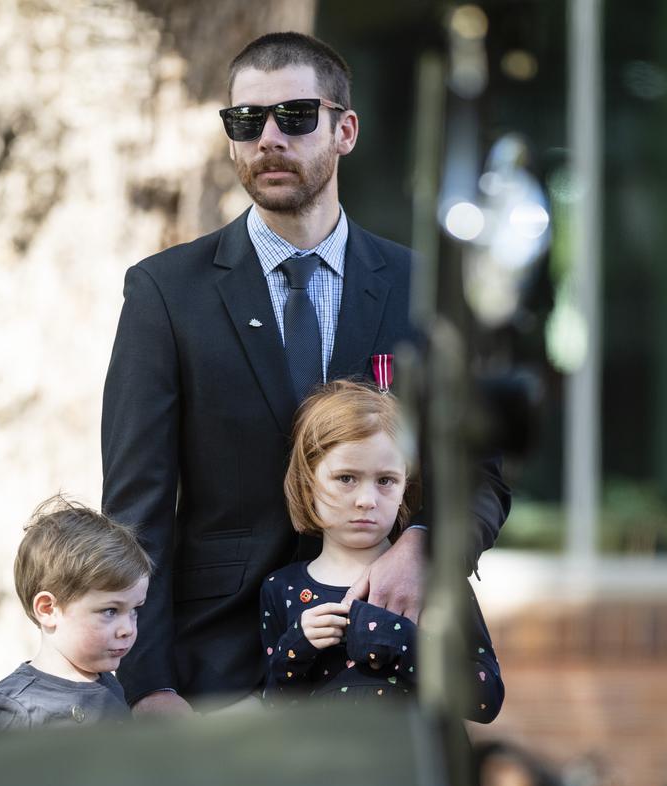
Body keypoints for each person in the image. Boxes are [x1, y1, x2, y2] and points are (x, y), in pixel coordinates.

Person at [101, 31, 510, 715]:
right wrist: (148, 683)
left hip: (385, 660)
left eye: (294, 116)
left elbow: (483, 473)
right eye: (246, 120)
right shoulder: (164, 294)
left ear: (344, 129)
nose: (268, 138)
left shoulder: (424, 289)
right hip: (216, 668)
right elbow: (136, 512)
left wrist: (426, 545)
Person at [260, 380, 504, 719]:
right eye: (346, 478)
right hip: (325, 769)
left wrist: (403, 641)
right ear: (307, 482)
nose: (366, 501)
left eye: (386, 481)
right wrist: (296, 647)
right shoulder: (281, 589)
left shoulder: (434, 579)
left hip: (416, 766)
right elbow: (276, 714)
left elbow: (485, 697)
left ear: (406, 484)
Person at [0, 496, 151, 732]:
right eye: (110, 611)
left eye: (134, 610)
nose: (127, 628)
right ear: (48, 609)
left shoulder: (110, 685)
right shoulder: (16, 712)